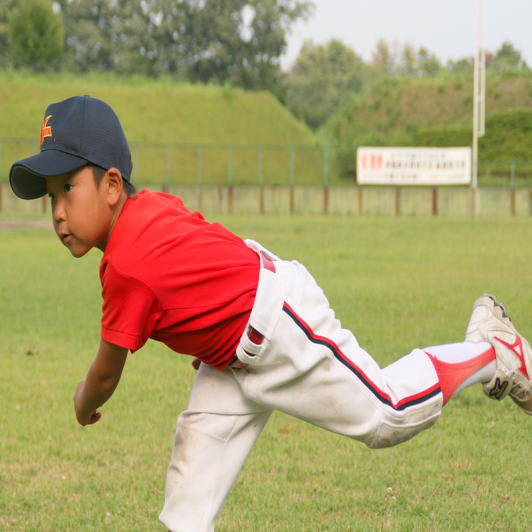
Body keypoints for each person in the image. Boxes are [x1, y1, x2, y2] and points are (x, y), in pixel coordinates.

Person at [9, 95, 531, 532]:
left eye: (67, 188)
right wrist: (214, 322)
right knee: (189, 499)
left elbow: (106, 369)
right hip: (233, 351)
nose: (57, 210)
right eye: (50, 195)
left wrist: (82, 404)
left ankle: (491, 349)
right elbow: (204, 245)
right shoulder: (149, 209)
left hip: (280, 326)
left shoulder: (125, 265)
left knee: (388, 414)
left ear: (113, 185)